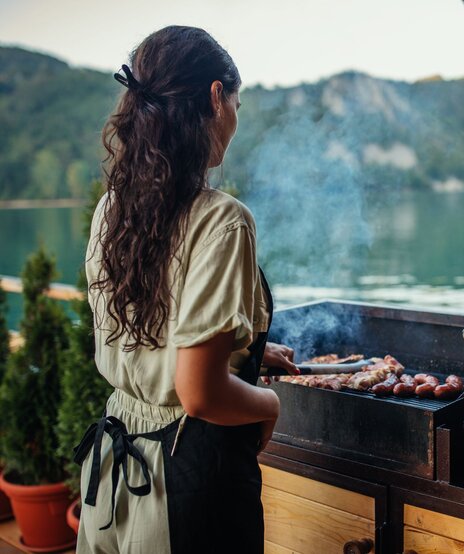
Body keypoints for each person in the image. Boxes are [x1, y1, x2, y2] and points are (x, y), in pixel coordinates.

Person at [75, 26, 298, 553]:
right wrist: (268, 405)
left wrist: (243, 356)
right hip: (181, 483)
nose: (236, 120)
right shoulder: (222, 220)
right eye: (237, 103)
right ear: (217, 97)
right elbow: (200, 395)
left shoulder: (114, 207)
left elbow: (153, 341)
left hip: (110, 476)